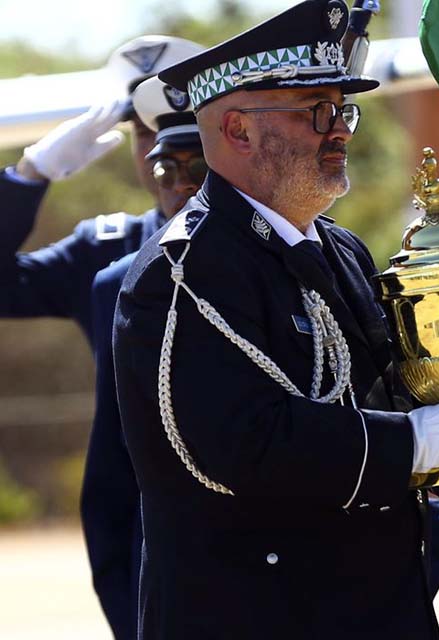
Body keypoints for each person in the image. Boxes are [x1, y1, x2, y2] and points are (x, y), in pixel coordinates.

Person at [113, 2, 439, 637]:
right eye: (317, 112)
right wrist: (416, 444)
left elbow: (383, 394)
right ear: (238, 131)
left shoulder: (339, 249)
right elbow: (236, 446)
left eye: (345, 111)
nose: (339, 130)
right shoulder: (183, 271)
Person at [81, 74, 207, 640]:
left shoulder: (313, 256)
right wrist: (29, 177)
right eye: (164, 169)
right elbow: (111, 474)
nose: (179, 185)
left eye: (198, 169)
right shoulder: (115, 282)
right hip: (170, 586)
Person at [0, 35, 203, 345]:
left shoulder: (282, 234)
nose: (160, 149)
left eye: (176, 130)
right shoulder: (104, 250)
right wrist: (30, 174)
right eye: (143, 130)